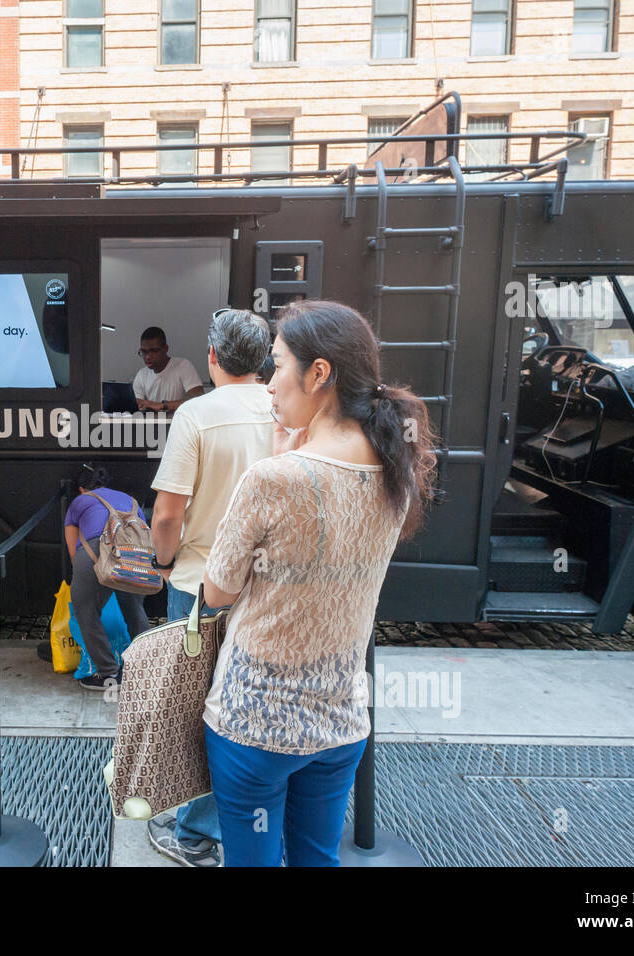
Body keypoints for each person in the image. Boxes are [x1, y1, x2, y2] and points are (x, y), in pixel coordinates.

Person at [199, 300, 437, 867]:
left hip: (255, 722)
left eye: (277, 366)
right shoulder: (395, 471)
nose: (269, 384)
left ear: (319, 373)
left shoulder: (272, 479)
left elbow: (216, 592)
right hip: (342, 721)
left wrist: (286, 460)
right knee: (316, 859)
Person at [145, 307, 273, 867]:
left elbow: (168, 513)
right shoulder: (286, 408)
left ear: (214, 356)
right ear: (265, 360)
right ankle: (252, 821)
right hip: (268, 588)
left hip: (198, 586)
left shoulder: (195, 415)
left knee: (195, 706)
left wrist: (163, 563)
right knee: (251, 705)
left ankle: (198, 831)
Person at [63, 464, 152, 692]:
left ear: (82, 489)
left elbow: (74, 549)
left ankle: (107, 672)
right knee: (134, 610)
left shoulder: (80, 501)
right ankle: (143, 669)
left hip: (96, 549)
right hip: (134, 553)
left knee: (85, 610)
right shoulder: (130, 500)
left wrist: (85, 578)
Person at [133, 327, 203, 413]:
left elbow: (199, 400)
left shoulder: (183, 366)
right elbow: (138, 405)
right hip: (151, 425)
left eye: (153, 351)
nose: (147, 357)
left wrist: (163, 405)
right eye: (144, 351)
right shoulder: (141, 375)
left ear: (165, 349)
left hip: (178, 424)